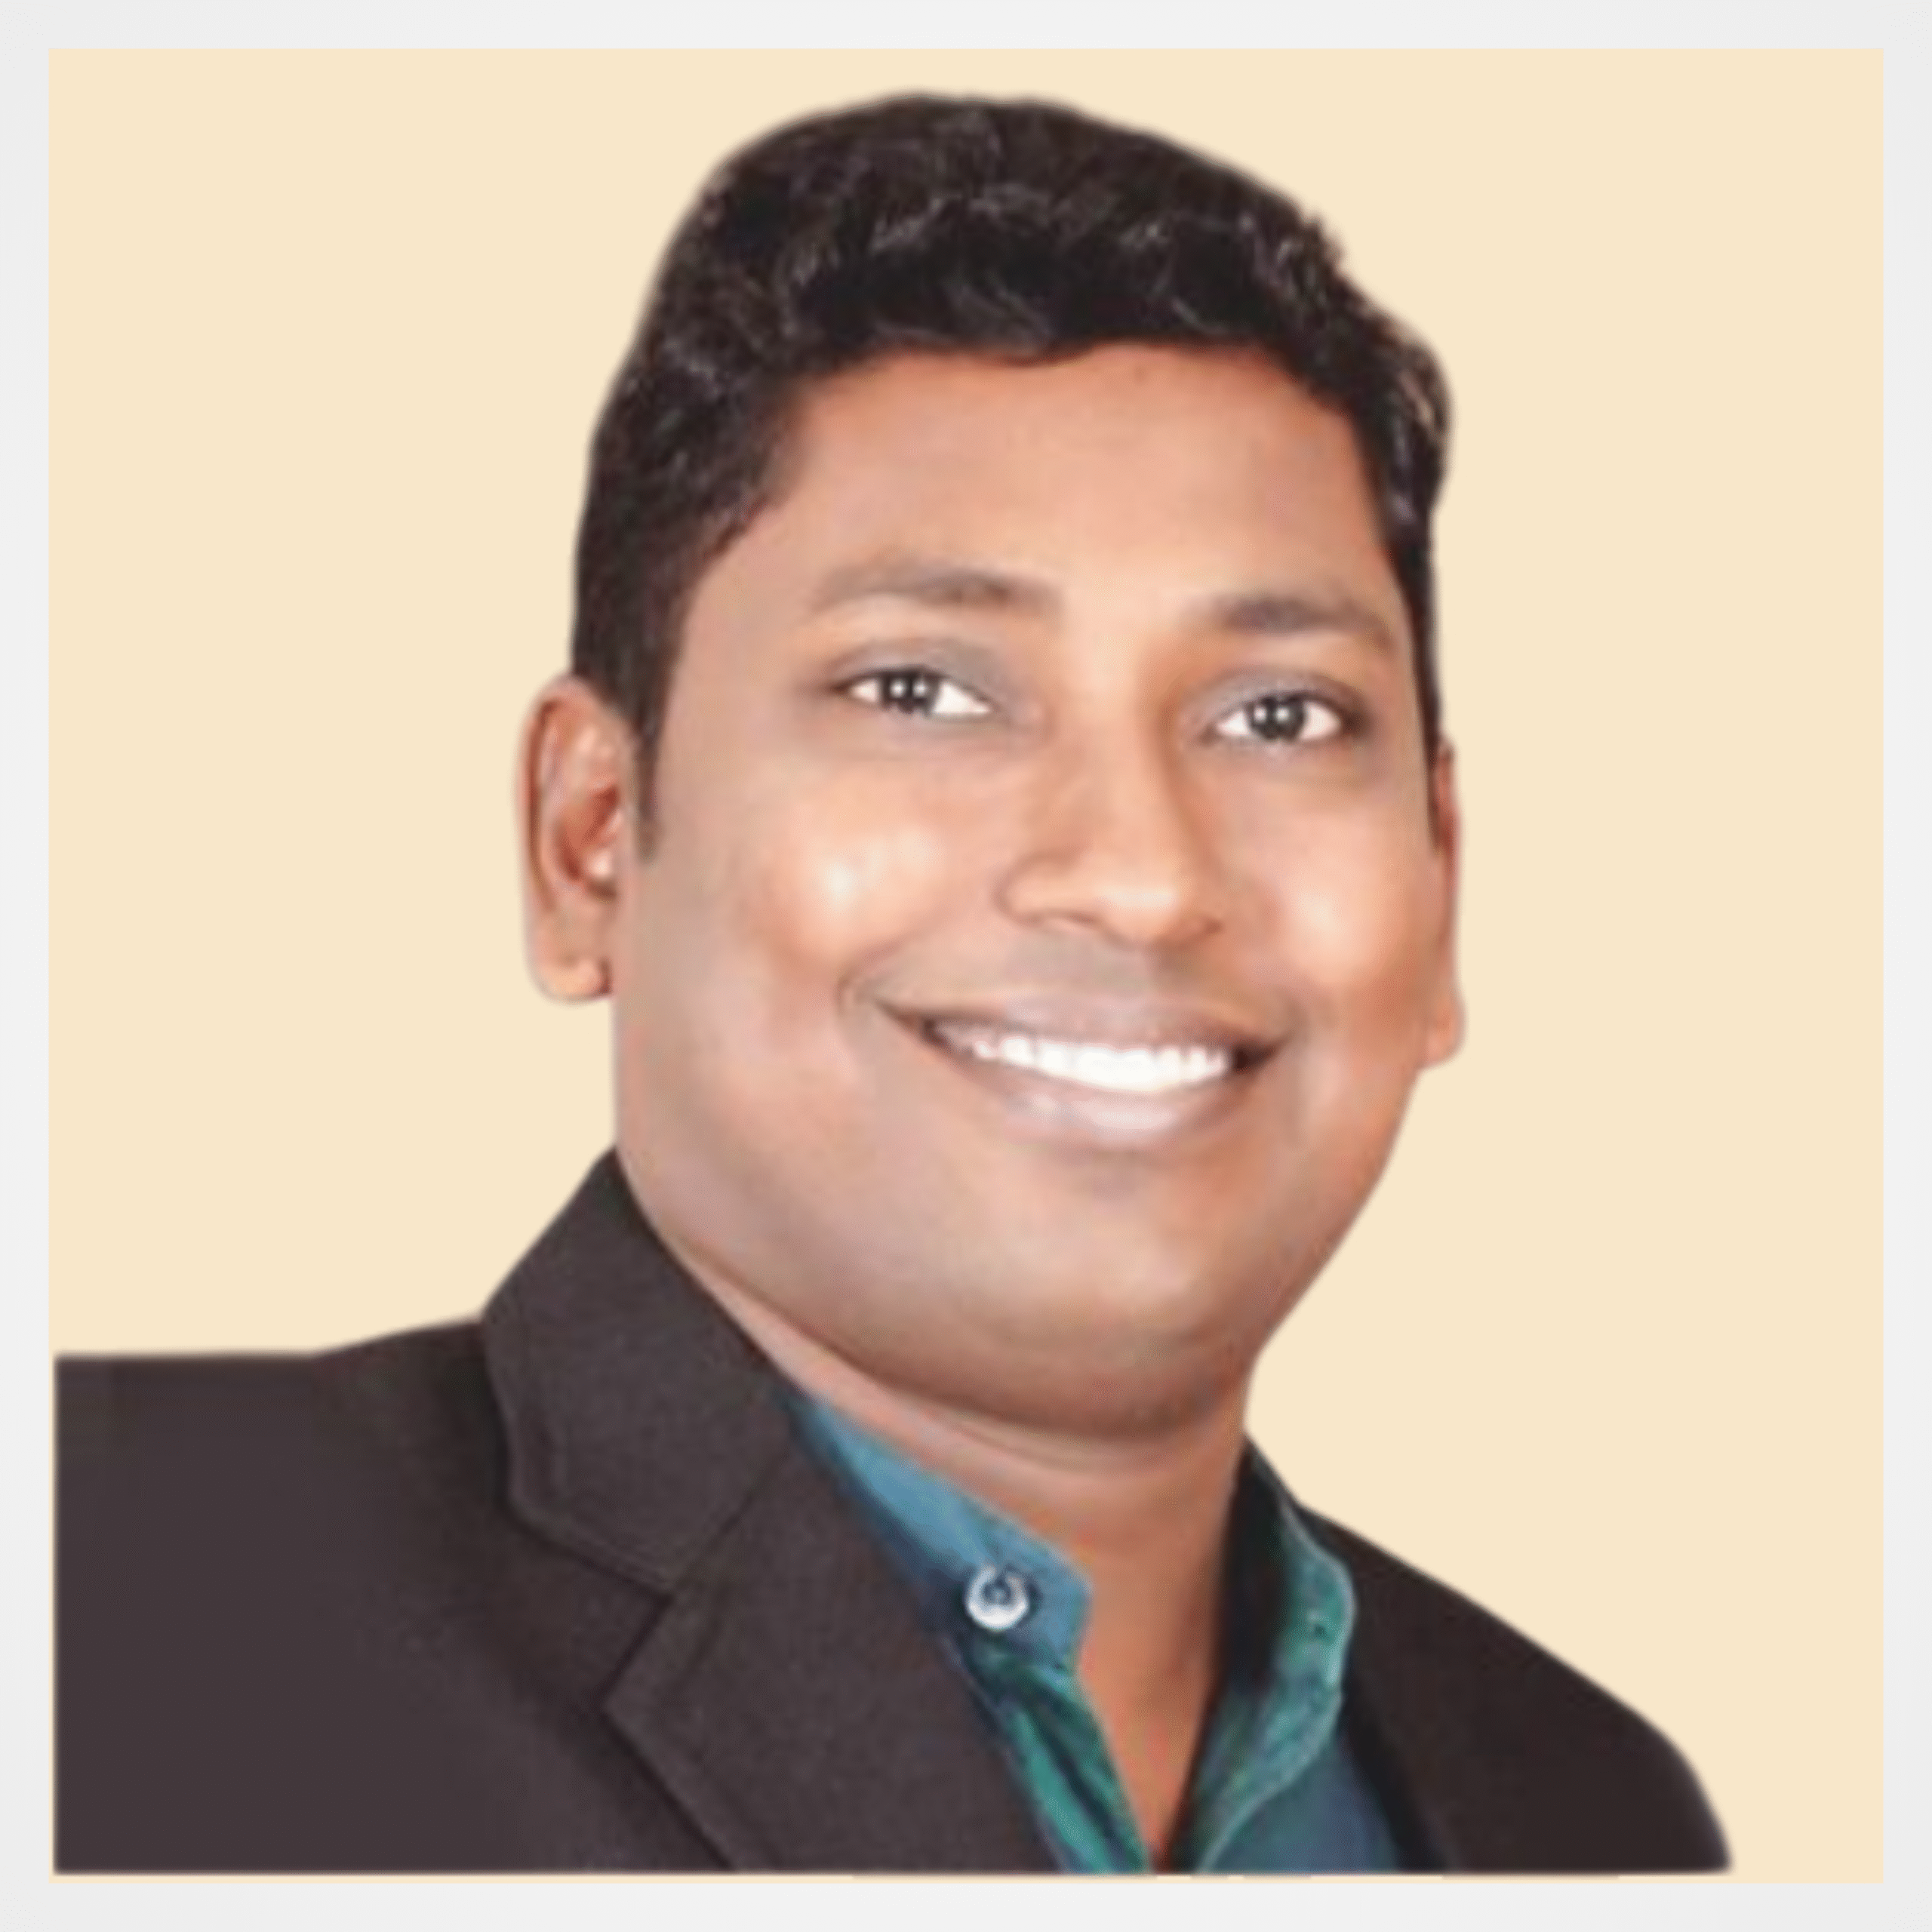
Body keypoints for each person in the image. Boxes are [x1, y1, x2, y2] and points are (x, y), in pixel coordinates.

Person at [56, 94, 1726, 1875]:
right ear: (590, 836)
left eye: (1277, 714)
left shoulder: (1594, 1809)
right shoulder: (104, 1597)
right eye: (921, 689)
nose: (1140, 874)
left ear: (1439, 888)